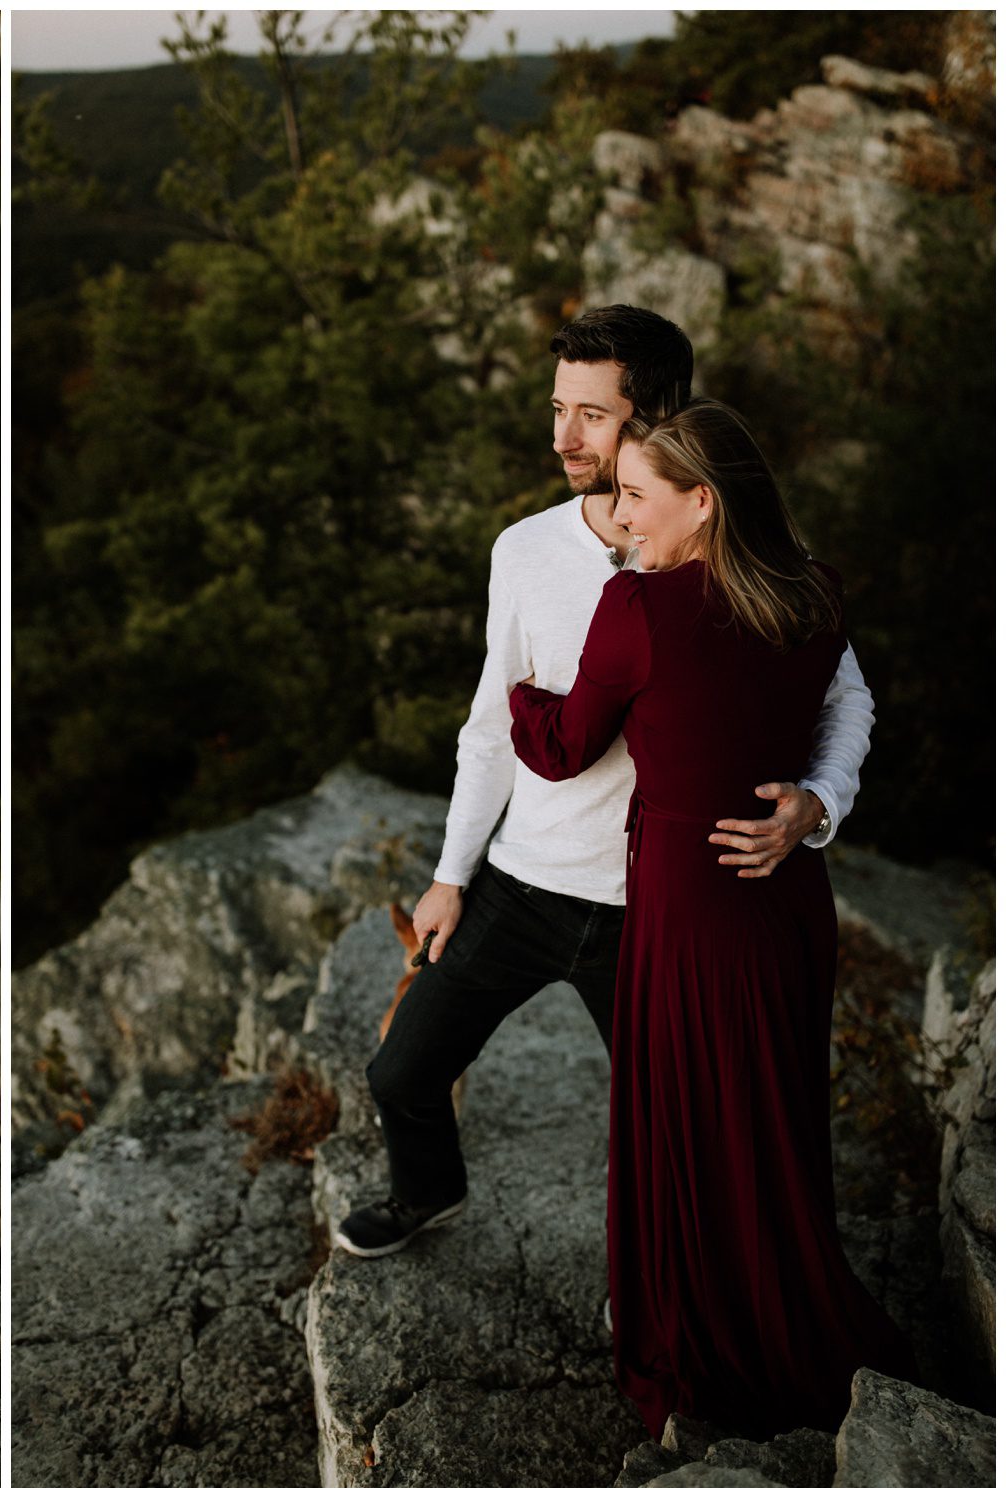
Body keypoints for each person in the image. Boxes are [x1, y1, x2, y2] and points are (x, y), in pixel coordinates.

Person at [337, 306, 875, 1258]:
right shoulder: (526, 552)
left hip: (658, 911)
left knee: (680, 1130)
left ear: (657, 416)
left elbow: (844, 697)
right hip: (526, 882)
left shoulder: (744, 561)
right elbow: (493, 725)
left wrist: (818, 802)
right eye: (557, 408)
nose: (562, 437)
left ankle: (680, 1286)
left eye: (591, 414)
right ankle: (429, 1191)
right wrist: (453, 876)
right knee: (401, 1072)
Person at [509, 399, 915, 1436]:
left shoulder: (637, 610)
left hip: (689, 908)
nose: (621, 515)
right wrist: (810, 802)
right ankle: (780, 1316)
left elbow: (560, 746)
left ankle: (709, 1342)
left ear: (702, 501)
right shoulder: (809, 591)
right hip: (784, 909)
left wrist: (518, 691)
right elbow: (842, 700)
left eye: (637, 497)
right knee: (768, 1131)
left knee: (691, 1132)